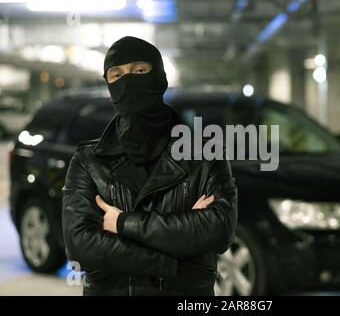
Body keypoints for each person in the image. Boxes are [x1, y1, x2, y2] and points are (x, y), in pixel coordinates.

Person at [62, 36, 238, 296]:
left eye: (139, 71)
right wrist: (172, 258)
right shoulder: (89, 160)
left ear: (160, 78)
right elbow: (80, 245)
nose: (128, 81)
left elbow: (218, 230)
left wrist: (122, 223)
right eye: (117, 74)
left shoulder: (205, 154)